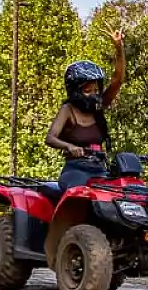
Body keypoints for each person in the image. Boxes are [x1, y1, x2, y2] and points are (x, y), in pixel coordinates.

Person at [45, 29, 125, 190]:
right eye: (88, 91)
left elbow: (117, 80)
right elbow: (50, 138)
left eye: (96, 90)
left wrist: (119, 48)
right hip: (75, 170)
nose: (93, 95)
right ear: (75, 90)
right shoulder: (68, 109)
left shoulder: (98, 106)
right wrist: (69, 147)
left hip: (99, 169)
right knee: (78, 197)